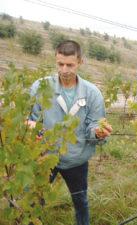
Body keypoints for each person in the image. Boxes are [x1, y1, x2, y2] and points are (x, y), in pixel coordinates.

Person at [27, 40, 112, 225]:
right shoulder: (41, 88)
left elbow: (93, 126)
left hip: (76, 159)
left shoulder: (92, 94)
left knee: (80, 201)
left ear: (80, 62)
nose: (64, 70)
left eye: (70, 65)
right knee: (33, 202)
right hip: (44, 158)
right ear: (56, 60)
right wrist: (31, 127)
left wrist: (98, 133)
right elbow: (31, 119)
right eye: (60, 64)